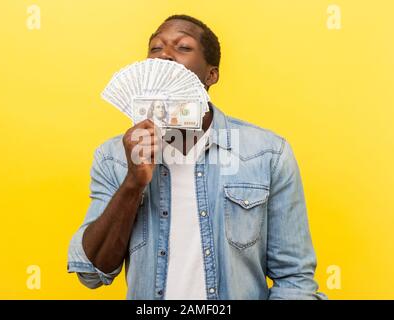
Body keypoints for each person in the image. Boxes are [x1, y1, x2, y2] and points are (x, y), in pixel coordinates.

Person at [67, 14, 326, 300]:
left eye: (183, 47)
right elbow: (92, 272)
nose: (165, 55)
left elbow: (294, 278)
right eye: (156, 48)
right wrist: (133, 181)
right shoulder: (112, 158)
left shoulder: (267, 153)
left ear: (211, 75)